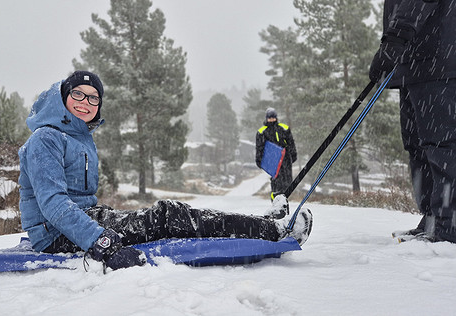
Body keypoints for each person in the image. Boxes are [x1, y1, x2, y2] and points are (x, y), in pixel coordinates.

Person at [18, 70, 313, 272]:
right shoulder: (46, 138)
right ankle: (273, 231)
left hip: (82, 221)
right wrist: (103, 243)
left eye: (93, 98)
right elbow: (54, 203)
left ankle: (260, 225)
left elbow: (81, 200)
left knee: (169, 215)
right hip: (56, 235)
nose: (86, 103)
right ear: (64, 97)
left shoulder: (78, 136)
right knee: (169, 215)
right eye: (79, 95)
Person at [369, 0, 456, 242]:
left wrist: (396, 38)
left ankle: (449, 226)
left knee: (442, 146)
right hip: (413, 63)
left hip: (438, 60)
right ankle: (432, 219)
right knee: (417, 146)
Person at [255, 108, 297, 201]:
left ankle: (284, 201)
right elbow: (259, 147)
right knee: (276, 182)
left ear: (276, 118)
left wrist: (293, 155)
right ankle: (275, 201)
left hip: (285, 159)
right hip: (272, 160)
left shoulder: (284, 128)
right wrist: (259, 159)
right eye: (269, 118)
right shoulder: (262, 131)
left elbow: (291, 143)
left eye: (273, 118)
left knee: (287, 182)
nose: (271, 120)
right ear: (266, 119)